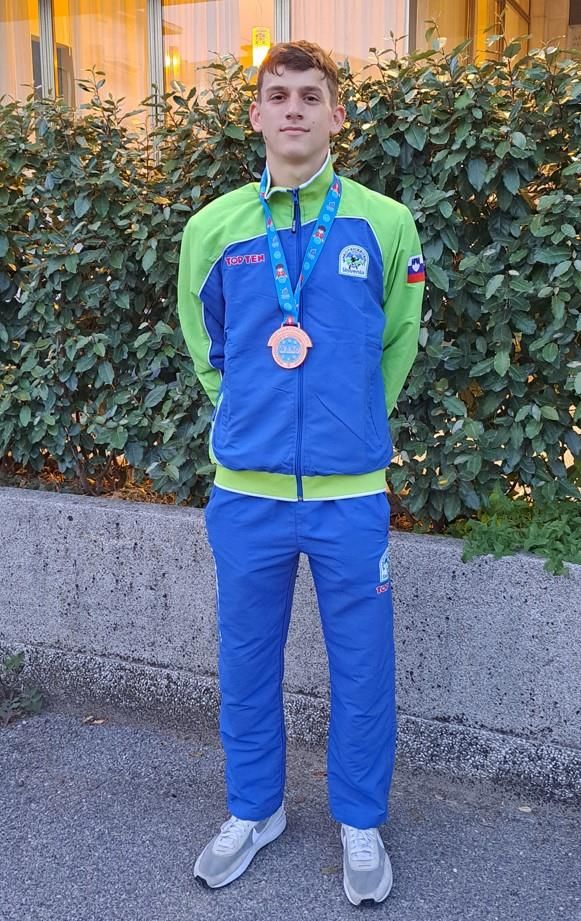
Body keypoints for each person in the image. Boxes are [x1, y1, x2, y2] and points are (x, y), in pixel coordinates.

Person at [177, 39, 425, 906]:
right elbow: (206, 347)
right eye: (277, 95)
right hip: (245, 493)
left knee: (363, 670)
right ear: (254, 115)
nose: (293, 108)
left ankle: (358, 820)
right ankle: (255, 810)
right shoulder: (211, 228)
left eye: (309, 96)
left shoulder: (385, 223)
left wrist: (349, 421)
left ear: (335, 115)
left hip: (349, 495)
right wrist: (247, 412)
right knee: (246, 662)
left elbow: (396, 341)